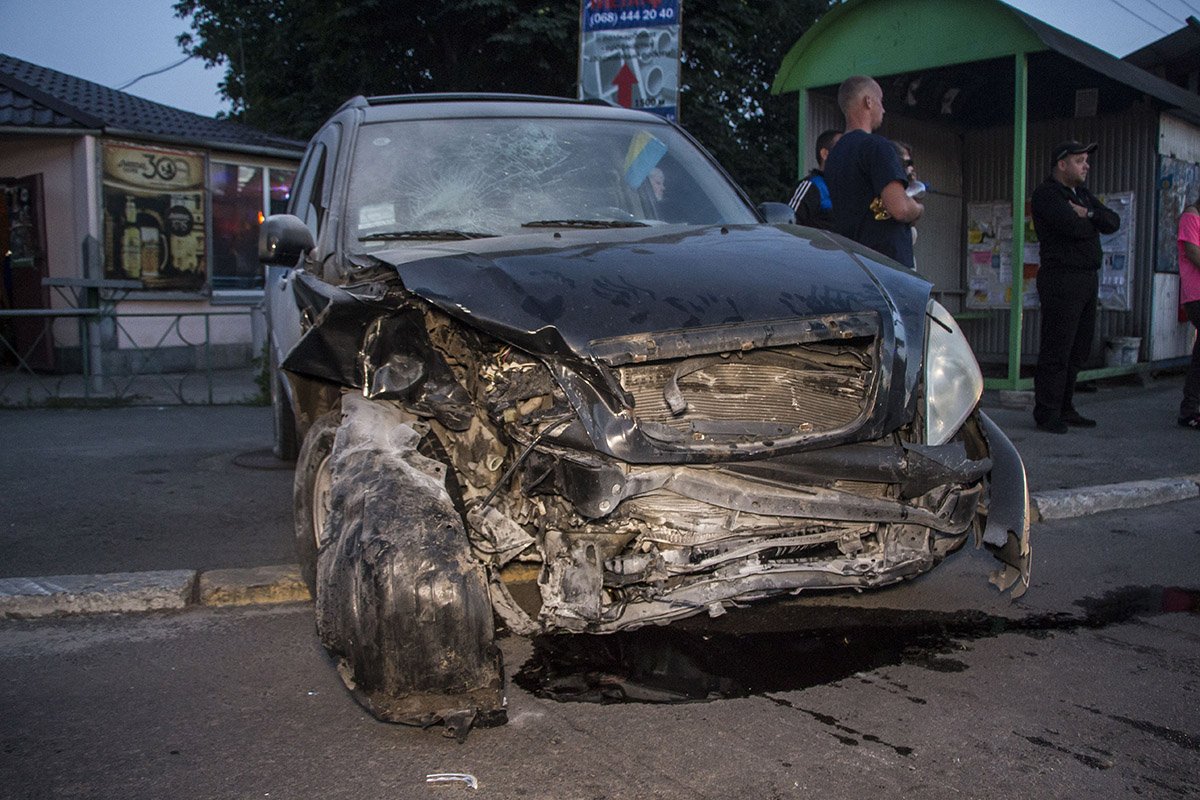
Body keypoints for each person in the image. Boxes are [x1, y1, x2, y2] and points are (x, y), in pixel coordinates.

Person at [1030, 141, 1121, 434]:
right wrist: (1088, 221)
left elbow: (1112, 221)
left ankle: (1066, 406)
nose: (1086, 166)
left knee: (1078, 347)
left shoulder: (1081, 196)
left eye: (1086, 160)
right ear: (1062, 164)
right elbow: (1071, 228)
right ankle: (1047, 412)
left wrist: (1090, 214)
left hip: (1086, 278)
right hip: (1062, 278)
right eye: (1080, 160)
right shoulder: (1047, 194)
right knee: (1057, 346)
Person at [823, 75, 923, 268]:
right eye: (880, 101)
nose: (883, 109)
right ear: (868, 101)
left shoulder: (835, 156)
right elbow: (900, 209)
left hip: (852, 264)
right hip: (887, 268)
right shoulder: (877, 147)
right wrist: (918, 209)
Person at [1176, 197, 1200, 429]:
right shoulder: (1191, 216)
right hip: (1197, 294)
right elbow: (1193, 253)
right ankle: (1190, 408)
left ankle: (1191, 407)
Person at [787, 129, 841, 229]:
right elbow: (788, 226)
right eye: (842, 148)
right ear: (825, 154)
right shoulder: (812, 186)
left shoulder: (852, 190)